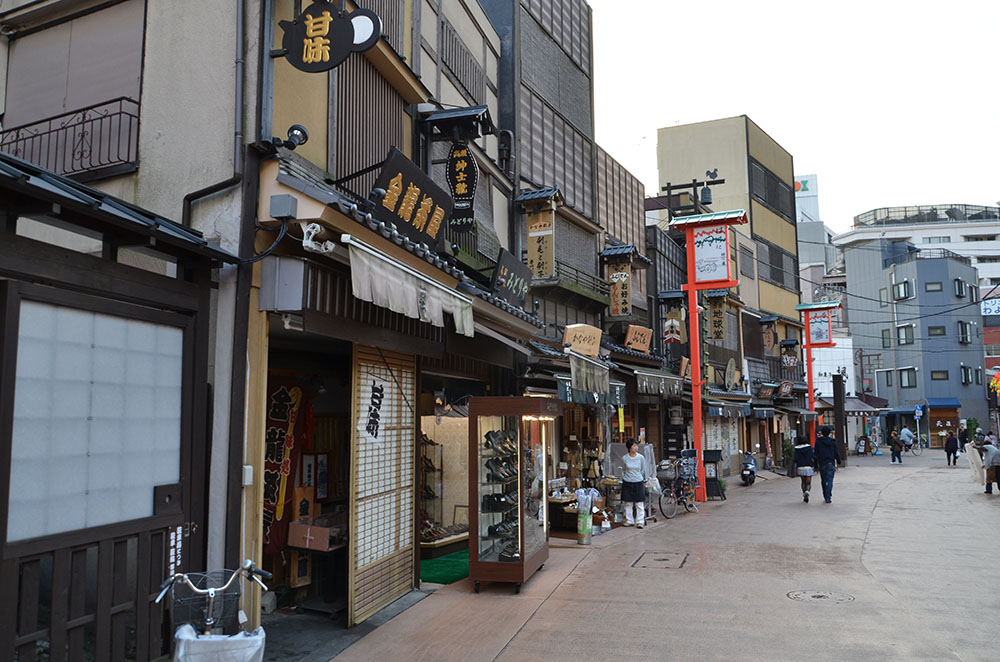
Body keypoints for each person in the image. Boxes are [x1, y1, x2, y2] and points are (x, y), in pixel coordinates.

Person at [621, 439, 649, 528]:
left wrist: (642, 478)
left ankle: (640, 521)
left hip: (638, 481)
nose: (636, 447)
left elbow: (642, 469)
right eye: (634, 446)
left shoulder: (641, 458)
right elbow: (624, 469)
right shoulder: (625, 458)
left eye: (636, 445)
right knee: (628, 503)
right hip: (627, 481)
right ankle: (629, 520)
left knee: (639, 503)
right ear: (629, 448)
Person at [814, 426, 842, 503]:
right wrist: (838, 460)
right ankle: (828, 496)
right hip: (830, 463)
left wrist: (815, 464)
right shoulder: (833, 442)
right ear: (829, 433)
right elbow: (836, 452)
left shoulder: (818, 441)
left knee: (823, 480)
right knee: (830, 480)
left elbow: (815, 453)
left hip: (822, 463)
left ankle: (825, 494)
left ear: (822, 433)